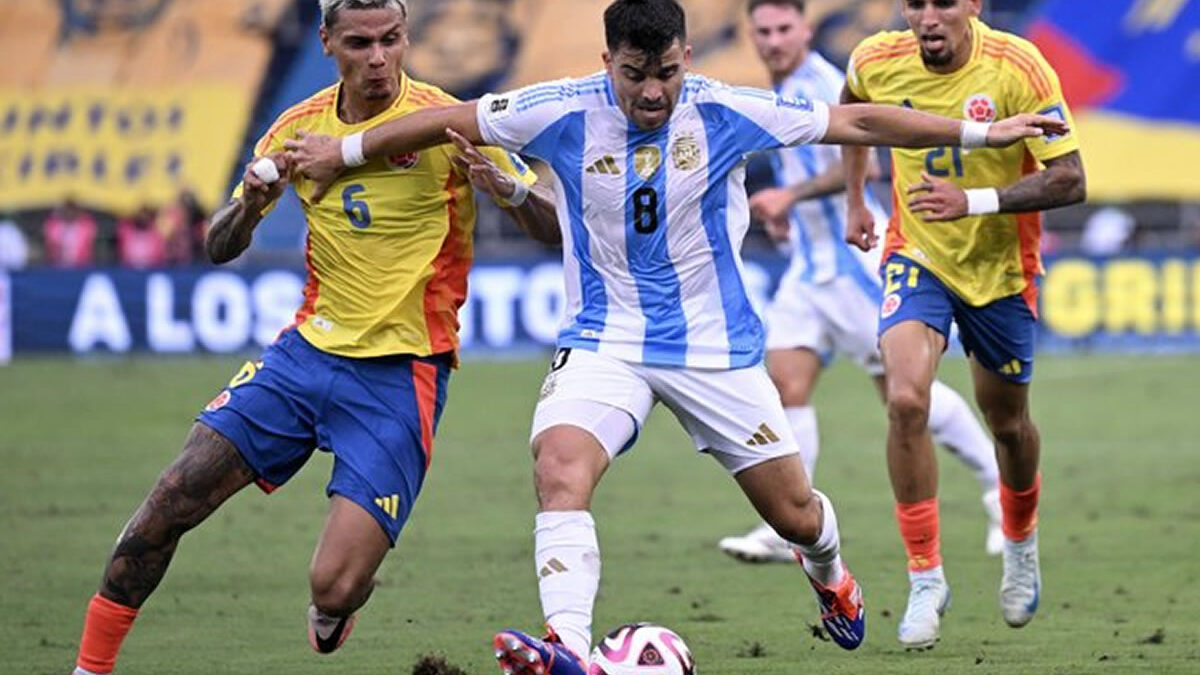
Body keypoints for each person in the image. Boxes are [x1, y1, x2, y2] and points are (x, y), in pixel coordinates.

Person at [285, 0, 1065, 671]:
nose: (653, 92)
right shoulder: (557, 106)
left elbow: (853, 118)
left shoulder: (724, 108)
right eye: (635, 75)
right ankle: (569, 643)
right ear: (607, 62)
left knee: (796, 514)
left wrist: (981, 139)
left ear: (686, 57)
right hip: (603, 339)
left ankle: (832, 573)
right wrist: (342, 149)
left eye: (667, 73)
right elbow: (445, 120)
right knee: (559, 465)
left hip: (713, 349)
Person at [67, 2, 556, 674]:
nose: (379, 58)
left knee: (332, 587)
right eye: (360, 43)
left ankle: (338, 606)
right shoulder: (296, 129)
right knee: (167, 502)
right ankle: (89, 667)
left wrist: (506, 187)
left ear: (406, 36)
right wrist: (248, 204)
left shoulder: (447, 121)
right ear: (327, 42)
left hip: (400, 374)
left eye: (391, 40)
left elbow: (555, 229)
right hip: (302, 358)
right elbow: (217, 245)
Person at [717, 0, 1003, 566]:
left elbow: (869, 162)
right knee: (785, 386)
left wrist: (789, 196)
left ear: (804, 28)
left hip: (853, 263)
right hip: (808, 267)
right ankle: (789, 523)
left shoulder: (825, 82)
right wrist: (787, 213)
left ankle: (998, 489)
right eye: (763, 31)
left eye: (783, 28)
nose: (773, 41)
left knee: (902, 394)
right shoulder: (778, 89)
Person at [840, 0, 1086, 649]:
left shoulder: (1018, 66)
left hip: (1001, 269)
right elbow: (851, 117)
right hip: (916, 254)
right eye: (914, 3)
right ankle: (926, 575)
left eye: (942, 2)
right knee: (903, 399)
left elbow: (1071, 179)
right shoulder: (875, 58)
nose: (927, 17)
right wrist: (857, 196)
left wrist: (974, 201)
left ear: (972, 5)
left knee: (1007, 424)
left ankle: (1021, 541)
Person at [43, 198, 98, 268]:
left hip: (81, 266)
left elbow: (89, 249)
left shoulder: (85, 226)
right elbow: (51, 249)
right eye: (67, 210)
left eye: (72, 210)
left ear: (77, 211)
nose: (69, 213)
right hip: (58, 266)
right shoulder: (54, 227)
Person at [115, 204, 167, 269]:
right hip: (129, 270)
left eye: (145, 216)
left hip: (150, 270)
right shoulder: (126, 232)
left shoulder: (156, 235)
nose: (143, 218)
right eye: (140, 216)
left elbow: (159, 257)